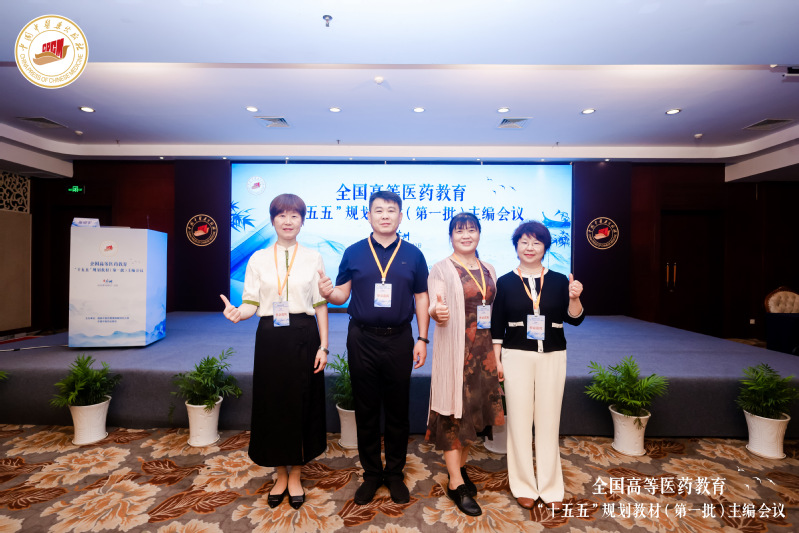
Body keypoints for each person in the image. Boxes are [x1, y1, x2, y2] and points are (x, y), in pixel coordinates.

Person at [318, 190, 430, 505]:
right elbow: (342, 295)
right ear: (368, 215)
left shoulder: (414, 254)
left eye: (391, 210)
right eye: (378, 210)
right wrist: (328, 292)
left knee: (397, 409)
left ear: (400, 216)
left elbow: (421, 297)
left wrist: (422, 338)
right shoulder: (353, 252)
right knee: (365, 408)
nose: (384, 215)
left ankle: (394, 473)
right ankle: (371, 474)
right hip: (362, 338)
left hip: (399, 338)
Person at [220, 193, 329, 510]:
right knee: (273, 403)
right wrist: (237, 313)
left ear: (302, 221)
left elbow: (320, 305)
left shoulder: (313, 257)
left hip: (304, 334)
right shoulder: (257, 259)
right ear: (272, 221)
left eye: (294, 215)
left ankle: (296, 473)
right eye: (282, 215)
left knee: (302, 402)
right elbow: (251, 304)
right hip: (270, 337)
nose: (288, 221)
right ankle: (280, 473)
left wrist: (324, 346)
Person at [490, 220, 584, 512]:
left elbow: (575, 318)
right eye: (524, 242)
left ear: (545, 248)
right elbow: (496, 325)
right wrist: (496, 360)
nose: (529, 248)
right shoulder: (505, 282)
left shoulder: (559, 280)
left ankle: (550, 485)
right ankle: (523, 485)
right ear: (516, 246)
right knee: (518, 421)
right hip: (516, 355)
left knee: (548, 420)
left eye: (536, 242)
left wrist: (575, 298)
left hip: (553, 355)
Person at [426, 212, 505, 516]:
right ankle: (456, 482)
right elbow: (435, 305)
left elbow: (494, 312)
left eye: (471, 230)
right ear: (451, 237)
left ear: (479, 234)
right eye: (459, 231)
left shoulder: (489, 269)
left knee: (473, 413)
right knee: (453, 416)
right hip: (456, 354)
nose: (466, 235)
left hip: (483, 354)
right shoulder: (440, 268)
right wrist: (437, 311)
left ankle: (458, 468)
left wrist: (497, 356)